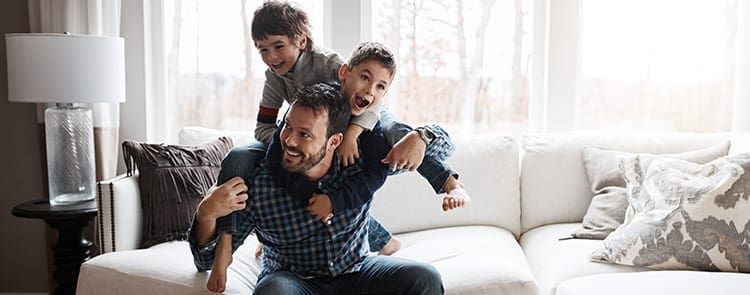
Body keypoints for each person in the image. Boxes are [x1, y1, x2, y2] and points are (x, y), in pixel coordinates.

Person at [189, 83, 444, 294]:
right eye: (287, 126)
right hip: (293, 281)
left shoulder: (359, 165)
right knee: (273, 291)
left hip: (356, 271)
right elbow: (205, 262)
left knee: (424, 278)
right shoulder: (259, 183)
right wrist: (205, 215)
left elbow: (444, 150)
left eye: (305, 134)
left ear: (335, 141)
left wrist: (422, 136)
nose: (289, 140)